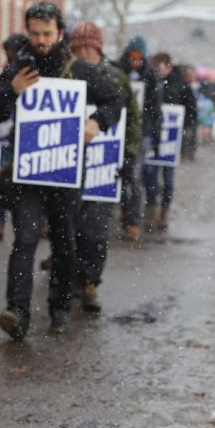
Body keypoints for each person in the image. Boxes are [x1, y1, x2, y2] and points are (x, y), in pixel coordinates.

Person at [0, 1, 121, 340]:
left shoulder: (79, 70)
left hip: (66, 172)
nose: (41, 40)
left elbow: (113, 101)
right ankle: (17, 312)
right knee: (25, 241)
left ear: (60, 33)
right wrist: (11, 91)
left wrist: (95, 122)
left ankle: (59, 309)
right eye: (35, 33)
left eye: (47, 33)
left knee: (64, 243)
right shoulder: (18, 68)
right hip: (27, 172)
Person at [66, 21, 141, 311]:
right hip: (71, 164)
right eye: (77, 48)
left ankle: (90, 282)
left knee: (96, 228)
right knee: (70, 225)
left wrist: (129, 155)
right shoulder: (69, 73)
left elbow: (131, 119)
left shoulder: (116, 78)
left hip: (103, 164)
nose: (83, 53)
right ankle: (70, 276)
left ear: (97, 47)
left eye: (88, 47)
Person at [116, 36, 163, 237]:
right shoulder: (118, 73)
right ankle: (125, 209)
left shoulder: (151, 77)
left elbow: (155, 110)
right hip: (119, 132)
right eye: (132, 57)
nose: (135, 61)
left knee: (135, 177)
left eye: (139, 58)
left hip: (140, 135)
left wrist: (155, 136)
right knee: (121, 175)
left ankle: (134, 219)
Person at [0, 32, 29, 242]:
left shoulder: (25, 69)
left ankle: (33, 224)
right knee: (4, 182)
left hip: (25, 135)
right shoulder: (10, 70)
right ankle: (0, 222)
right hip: (9, 135)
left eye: (11, 51)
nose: (9, 55)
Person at [144, 53, 194, 232]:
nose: (157, 70)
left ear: (168, 67)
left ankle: (163, 212)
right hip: (153, 137)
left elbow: (191, 111)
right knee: (150, 177)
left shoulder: (180, 85)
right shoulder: (150, 81)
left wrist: (181, 128)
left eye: (160, 67)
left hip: (171, 140)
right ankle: (151, 209)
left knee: (168, 179)